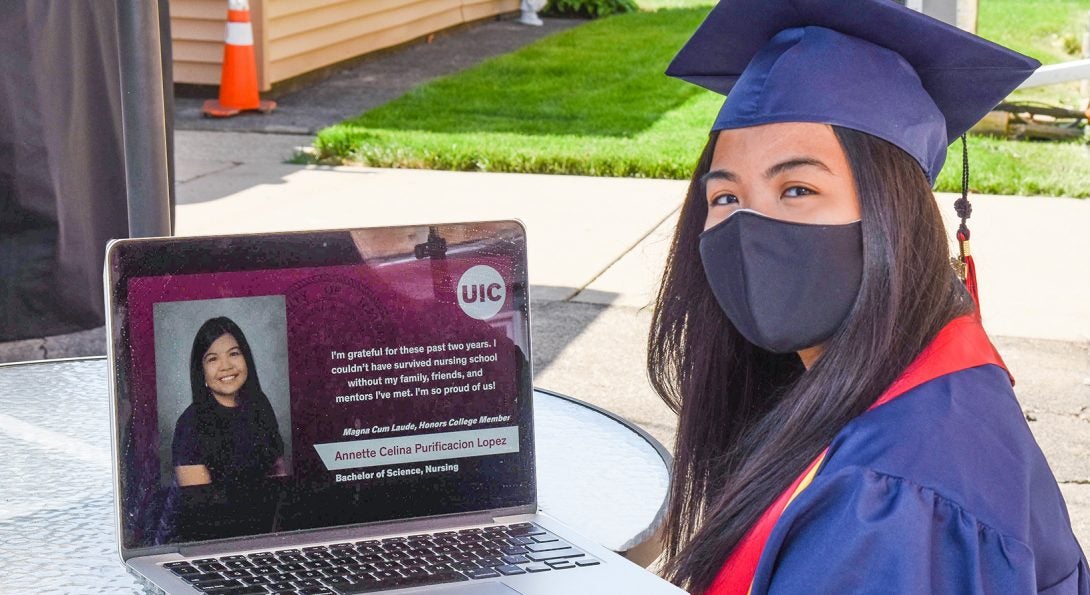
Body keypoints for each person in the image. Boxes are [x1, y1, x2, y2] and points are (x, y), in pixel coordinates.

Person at [647, 0, 1089, 593]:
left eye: (797, 188)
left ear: (892, 216)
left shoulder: (890, 502)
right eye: (725, 198)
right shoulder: (922, 383)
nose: (749, 229)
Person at [172, 316, 286, 488]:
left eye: (234, 353)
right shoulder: (189, 424)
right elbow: (199, 504)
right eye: (212, 358)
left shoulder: (259, 403)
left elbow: (279, 472)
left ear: (246, 358)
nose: (226, 366)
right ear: (200, 371)